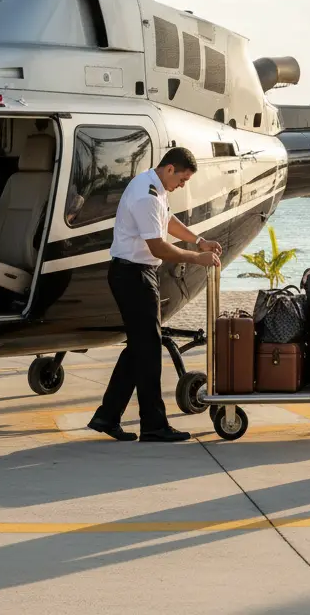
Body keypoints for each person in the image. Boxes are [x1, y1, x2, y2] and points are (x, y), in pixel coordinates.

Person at [88, 146, 222, 443]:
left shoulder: (155, 187)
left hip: (137, 273)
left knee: (140, 348)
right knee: (148, 351)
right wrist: (196, 258)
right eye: (182, 179)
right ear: (170, 169)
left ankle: (107, 416)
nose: (182, 185)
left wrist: (199, 241)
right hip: (133, 275)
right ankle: (153, 425)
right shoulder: (145, 195)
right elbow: (158, 247)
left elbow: (168, 220)